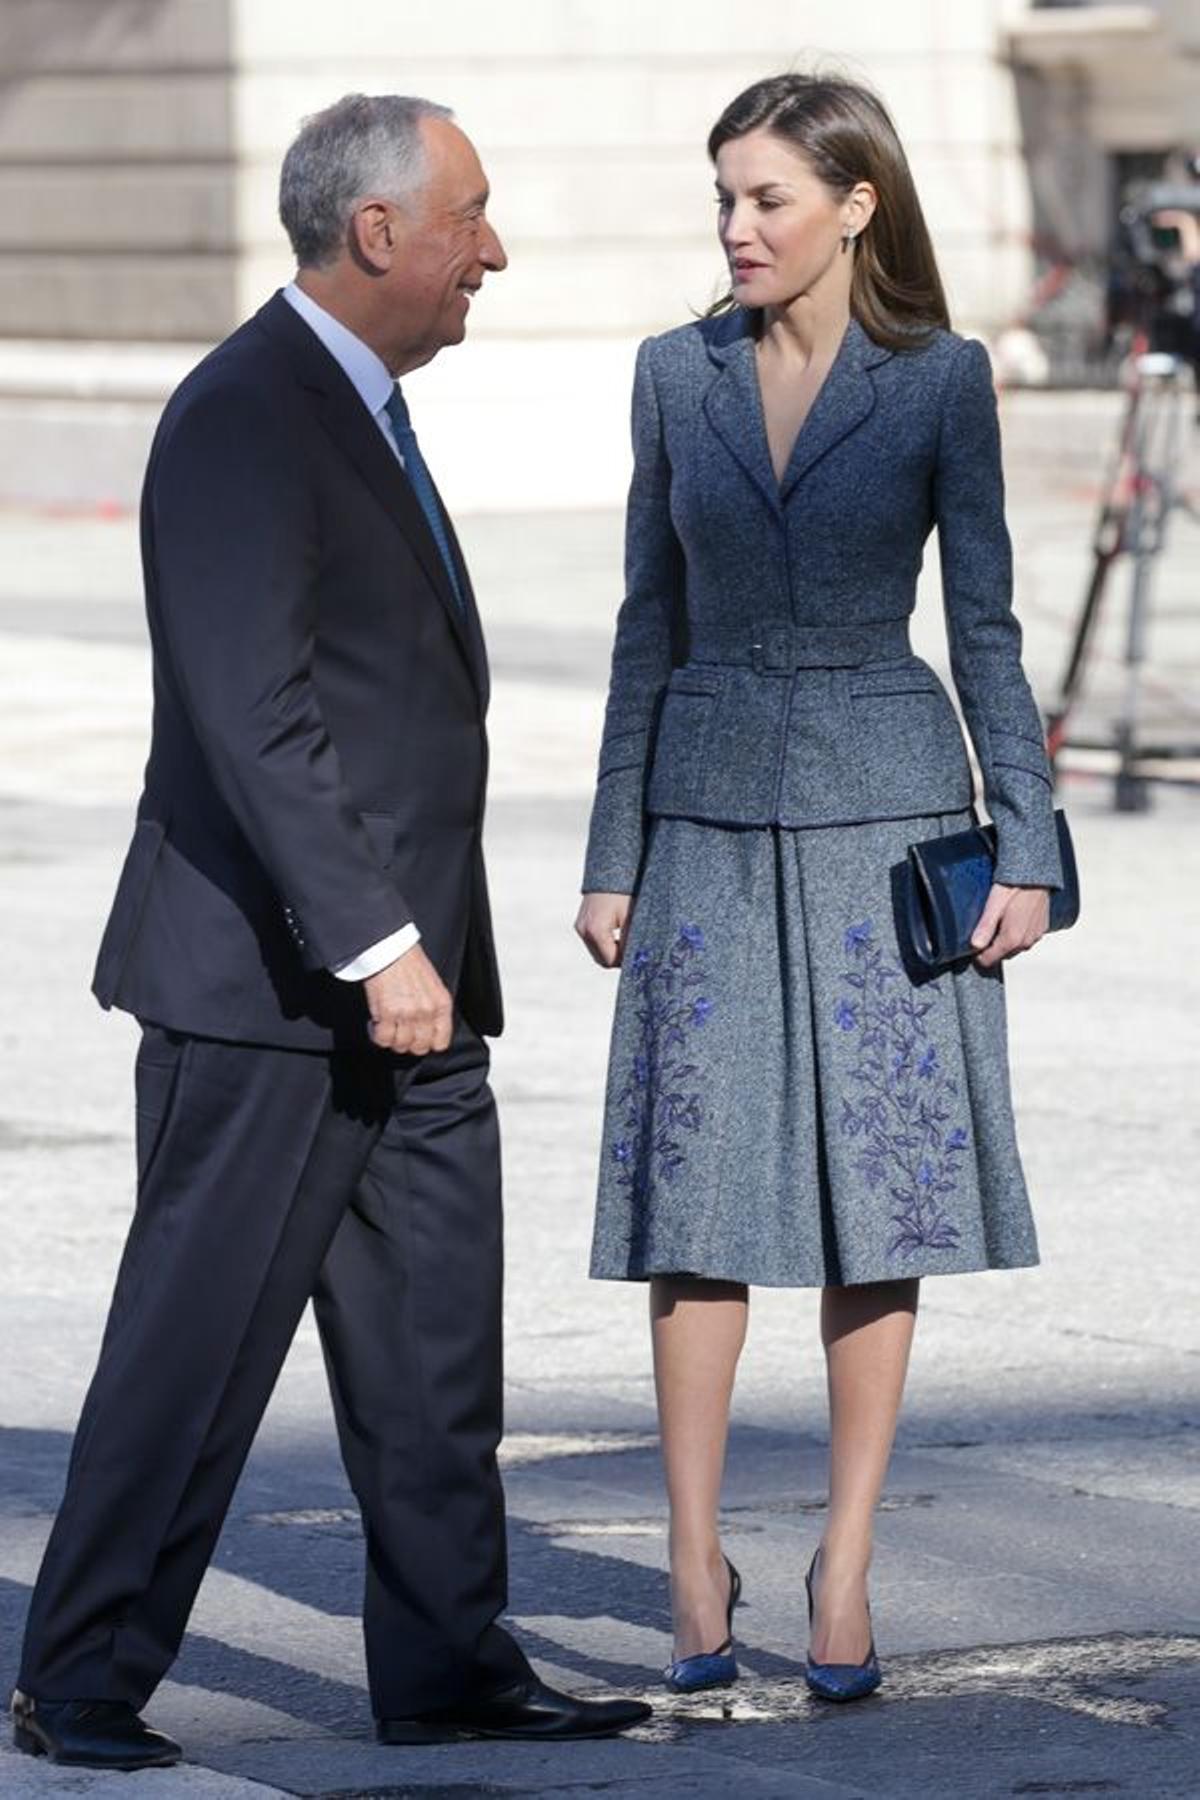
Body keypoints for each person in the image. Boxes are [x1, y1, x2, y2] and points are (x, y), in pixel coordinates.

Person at [12, 93, 649, 1770]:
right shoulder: (245, 410)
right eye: (471, 218)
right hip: (278, 991)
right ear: (378, 233)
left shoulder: (351, 407)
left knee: (439, 1354)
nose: (491, 252)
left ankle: (448, 1664)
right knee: (194, 1351)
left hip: (417, 994)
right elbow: (253, 709)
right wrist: (380, 944)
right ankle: (79, 1678)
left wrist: (418, 956)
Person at [575, 73, 1064, 1702]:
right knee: (693, 1198)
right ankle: (693, 1560)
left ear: (855, 203)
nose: (736, 226)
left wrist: (1036, 846)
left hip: (890, 827)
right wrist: (610, 859)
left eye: (769, 197)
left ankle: (844, 1565)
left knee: (887, 1192)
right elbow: (648, 626)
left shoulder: (943, 384)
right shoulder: (672, 374)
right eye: (724, 196)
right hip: (703, 822)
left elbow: (985, 627)